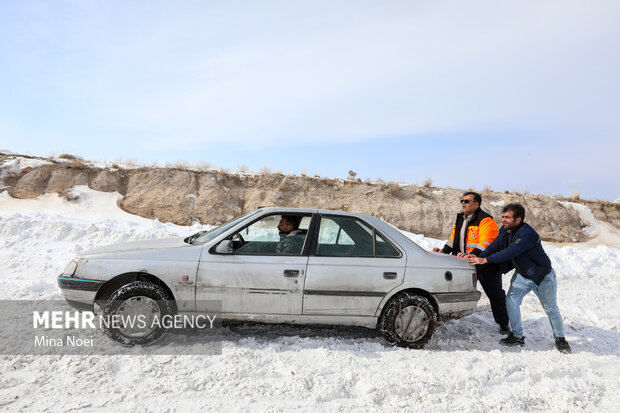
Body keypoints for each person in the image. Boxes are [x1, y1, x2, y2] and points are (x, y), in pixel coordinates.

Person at [467, 203, 572, 354]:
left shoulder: (528, 234)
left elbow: (510, 251)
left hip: (541, 277)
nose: (503, 220)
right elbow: (494, 246)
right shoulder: (505, 229)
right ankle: (517, 336)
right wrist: (479, 256)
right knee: (511, 301)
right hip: (522, 275)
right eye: (502, 217)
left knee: (550, 309)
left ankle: (560, 339)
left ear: (518, 220)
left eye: (507, 217)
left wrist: (486, 260)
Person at [434, 191, 510, 334]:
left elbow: (486, 243)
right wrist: (443, 251)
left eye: (467, 201)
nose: (463, 203)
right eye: (462, 200)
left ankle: (504, 323)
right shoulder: (461, 219)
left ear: (476, 204)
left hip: (485, 265)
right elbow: (452, 239)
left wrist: (472, 255)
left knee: (495, 294)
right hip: (463, 264)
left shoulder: (486, 220)